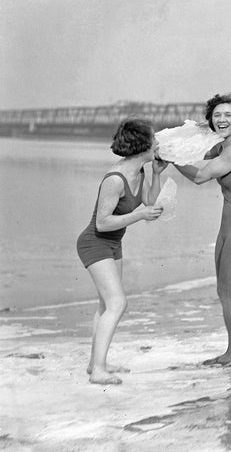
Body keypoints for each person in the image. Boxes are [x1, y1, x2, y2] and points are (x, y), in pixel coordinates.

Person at [172, 94, 231, 367]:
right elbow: (197, 153)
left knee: (228, 292)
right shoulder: (223, 146)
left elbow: (200, 176)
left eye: (228, 115)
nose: (222, 119)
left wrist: (170, 159)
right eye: (217, 115)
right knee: (223, 291)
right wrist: (181, 139)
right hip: (229, 228)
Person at [77, 117, 166, 385]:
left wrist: (158, 174)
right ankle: (99, 371)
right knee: (118, 303)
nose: (159, 143)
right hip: (95, 242)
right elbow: (102, 223)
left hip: (114, 243)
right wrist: (139, 215)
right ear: (143, 146)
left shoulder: (139, 171)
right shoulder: (115, 179)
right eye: (155, 139)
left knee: (106, 304)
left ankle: (96, 364)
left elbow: (149, 202)